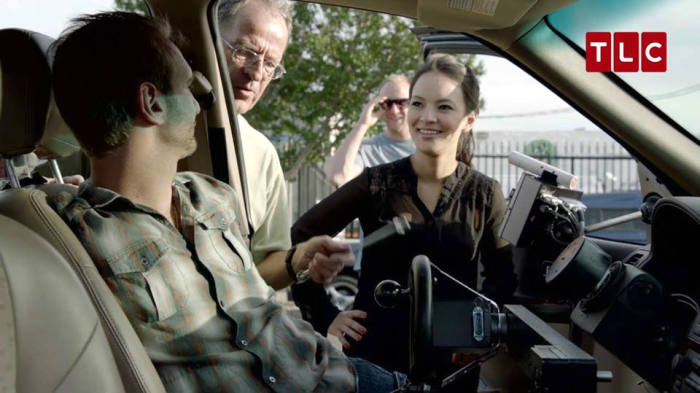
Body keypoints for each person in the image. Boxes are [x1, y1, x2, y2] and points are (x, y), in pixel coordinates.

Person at [49, 11, 406, 393]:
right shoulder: (76, 232)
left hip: (334, 371)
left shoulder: (214, 196)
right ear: (152, 103)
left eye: (270, 64)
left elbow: (260, 301)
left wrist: (298, 263)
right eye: (187, 86)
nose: (203, 97)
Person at [291, 54, 518, 376]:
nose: (426, 117)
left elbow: (503, 280)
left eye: (444, 106)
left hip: (452, 364)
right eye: (417, 104)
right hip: (374, 361)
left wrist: (480, 338)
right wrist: (325, 315)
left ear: (469, 118)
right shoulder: (376, 183)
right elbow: (301, 235)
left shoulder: (484, 193)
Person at [217, 0, 297, 289]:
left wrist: (299, 259)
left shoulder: (262, 153)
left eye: (271, 65)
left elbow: (266, 266)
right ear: (210, 36)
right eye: (246, 52)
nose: (256, 73)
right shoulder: (145, 124)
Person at [324, 74, 415, 188]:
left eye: (401, 102)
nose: (394, 110)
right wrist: (362, 124)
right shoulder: (367, 150)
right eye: (387, 103)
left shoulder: (430, 145)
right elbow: (338, 177)